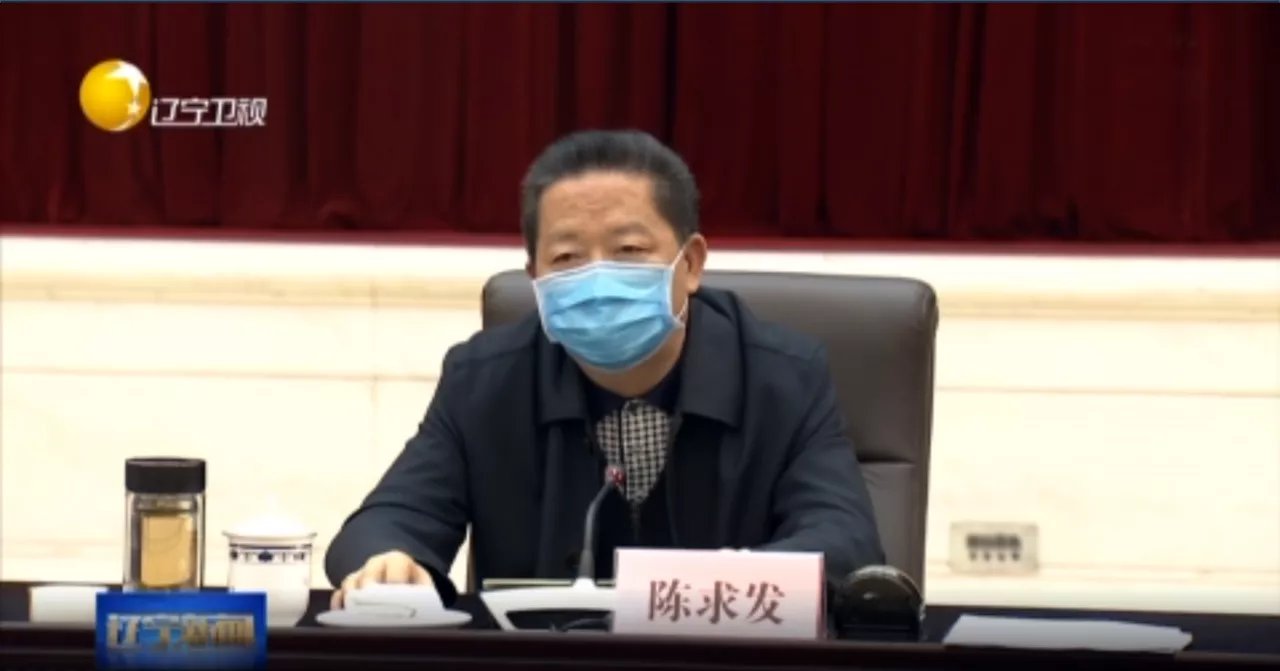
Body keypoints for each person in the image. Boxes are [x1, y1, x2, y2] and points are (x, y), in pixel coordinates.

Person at [325, 130, 884, 609]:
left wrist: (694, 592)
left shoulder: (784, 378)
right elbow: (384, 524)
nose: (597, 278)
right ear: (535, 278)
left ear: (690, 264)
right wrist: (390, 560)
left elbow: (844, 544)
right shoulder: (484, 382)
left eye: (629, 250)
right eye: (566, 258)